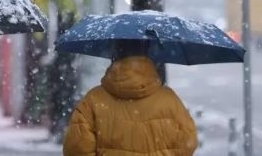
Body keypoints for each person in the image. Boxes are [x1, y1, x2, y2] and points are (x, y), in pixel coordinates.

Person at [63, 39, 198, 156]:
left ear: (114, 53)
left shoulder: (93, 99)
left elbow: (77, 147)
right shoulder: (169, 99)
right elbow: (188, 142)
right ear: (148, 53)